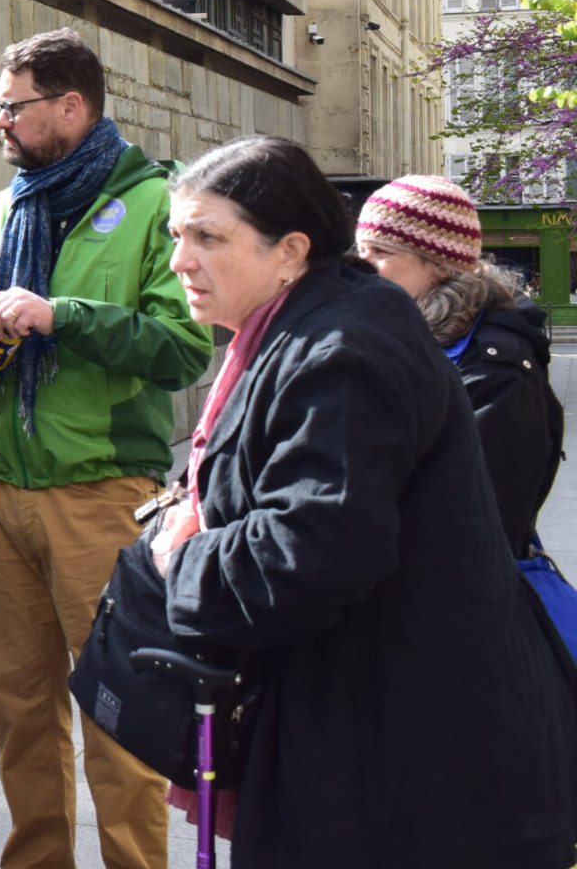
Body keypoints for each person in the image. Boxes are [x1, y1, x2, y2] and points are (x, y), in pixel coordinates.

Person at [153, 136, 577, 868]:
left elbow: (312, 553)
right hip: (374, 727)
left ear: (291, 250)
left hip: (407, 762)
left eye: (206, 237)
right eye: (176, 236)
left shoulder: (344, 349)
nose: (179, 261)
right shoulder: (309, 327)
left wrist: (184, 555)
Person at [0, 28, 209, 869]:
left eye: (11, 107)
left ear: (71, 106)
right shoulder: (2, 207)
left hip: (100, 492)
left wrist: (66, 316)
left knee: (119, 716)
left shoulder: (158, 204)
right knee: (18, 713)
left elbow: (183, 346)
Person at [354, 174, 564, 555]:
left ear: (440, 266)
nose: (361, 267)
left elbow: (478, 519)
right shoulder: (390, 334)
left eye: (380, 253)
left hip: (447, 599)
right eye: (361, 250)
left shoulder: (495, 368)